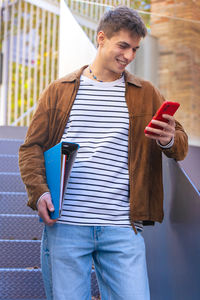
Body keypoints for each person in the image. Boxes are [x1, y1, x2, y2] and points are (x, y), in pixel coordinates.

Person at [19, 5, 188, 300]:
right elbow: (31, 147)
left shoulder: (145, 92)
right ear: (101, 38)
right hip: (67, 225)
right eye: (123, 45)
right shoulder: (59, 90)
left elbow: (180, 143)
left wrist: (168, 139)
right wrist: (39, 191)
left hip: (122, 227)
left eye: (135, 49)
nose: (129, 56)